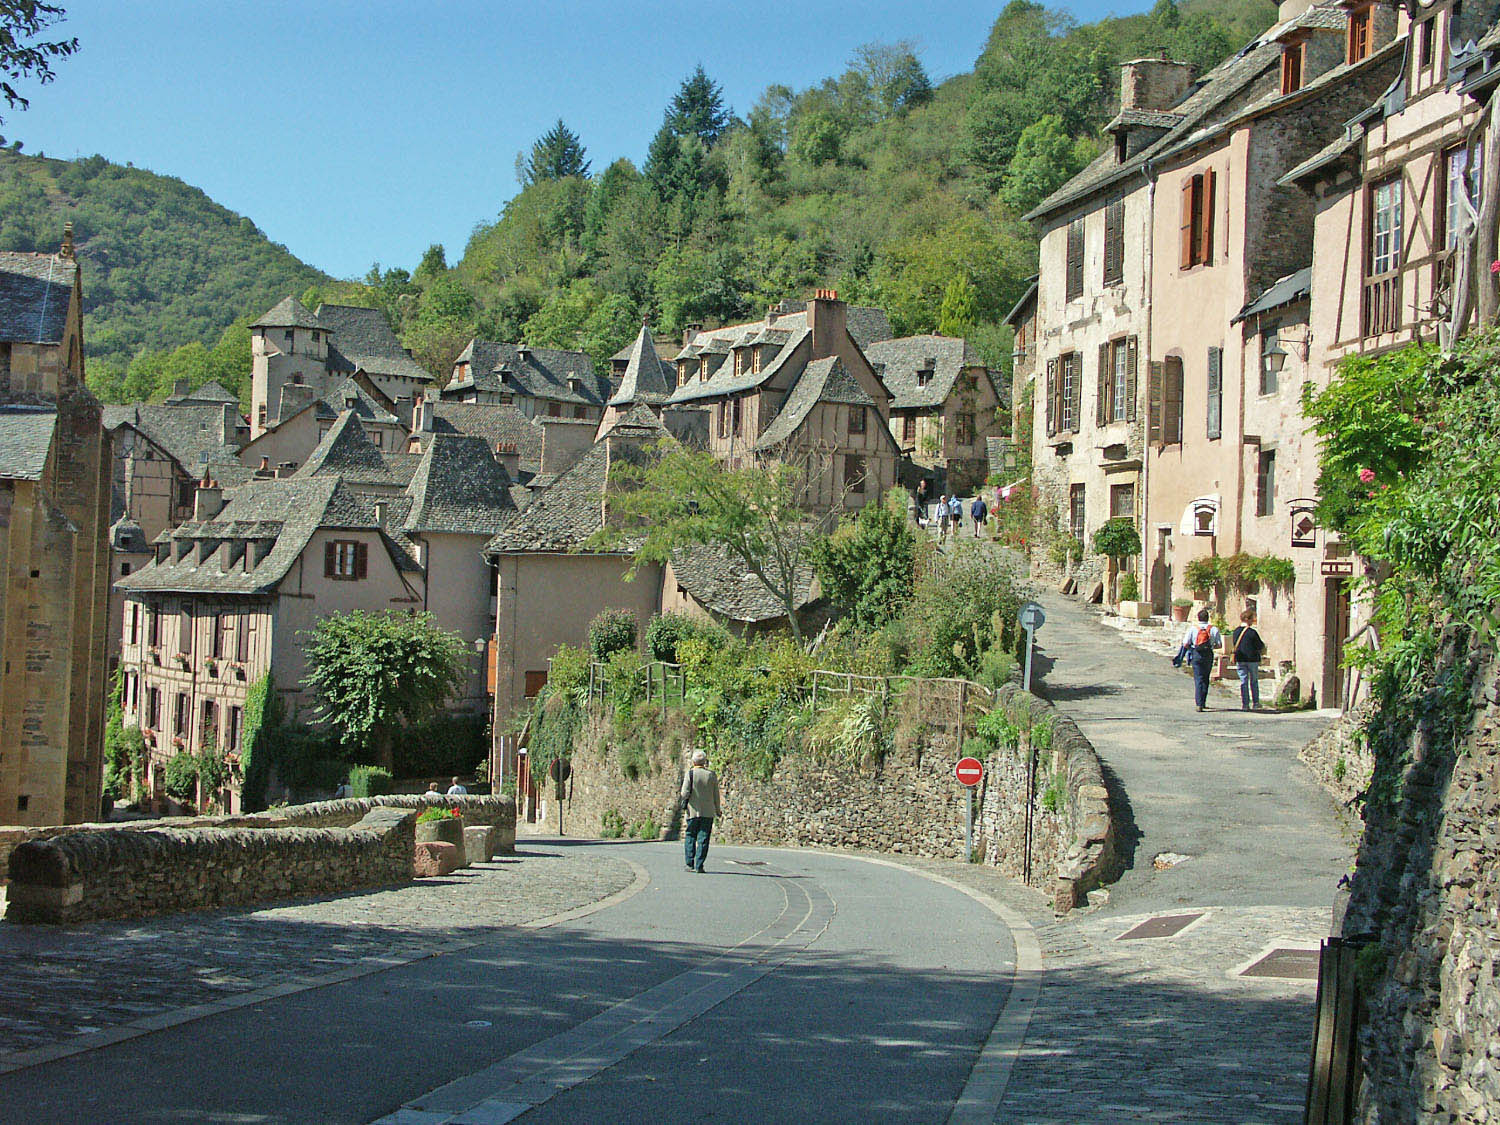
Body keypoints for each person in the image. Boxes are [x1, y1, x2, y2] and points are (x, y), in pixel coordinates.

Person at [1172, 608, 1221, 712]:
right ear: (1208, 618)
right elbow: (1219, 644)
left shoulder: (1193, 629)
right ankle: (1203, 701)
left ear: (1198, 618)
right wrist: (1211, 646)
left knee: (1198, 678)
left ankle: (1199, 703)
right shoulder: (1214, 629)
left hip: (1197, 654)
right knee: (1206, 678)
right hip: (1208, 654)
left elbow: (1185, 643)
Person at [680, 749, 721, 873]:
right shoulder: (711, 775)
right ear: (704, 761)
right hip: (708, 812)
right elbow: (716, 795)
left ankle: (689, 863)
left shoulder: (690, 774)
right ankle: (699, 864)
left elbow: (684, 793)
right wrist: (717, 810)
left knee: (690, 835)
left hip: (693, 811)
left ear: (693, 761)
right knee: (703, 838)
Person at [1231, 608, 1266, 711]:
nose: (1253, 621)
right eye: (1252, 619)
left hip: (1240, 659)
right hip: (1252, 660)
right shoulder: (1252, 632)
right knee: (1254, 681)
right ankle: (1256, 703)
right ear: (1248, 619)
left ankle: (1245, 704)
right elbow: (1259, 645)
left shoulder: (1236, 631)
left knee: (1243, 681)